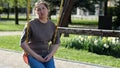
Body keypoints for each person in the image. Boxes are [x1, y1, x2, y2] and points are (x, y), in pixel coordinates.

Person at [20, 0, 60, 68]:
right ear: (36, 12)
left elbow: (56, 43)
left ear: (48, 10)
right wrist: (36, 56)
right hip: (32, 54)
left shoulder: (52, 26)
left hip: (46, 55)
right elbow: (22, 43)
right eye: (38, 9)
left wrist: (50, 55)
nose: (41, 11)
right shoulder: (31, 24)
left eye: (43, 8)